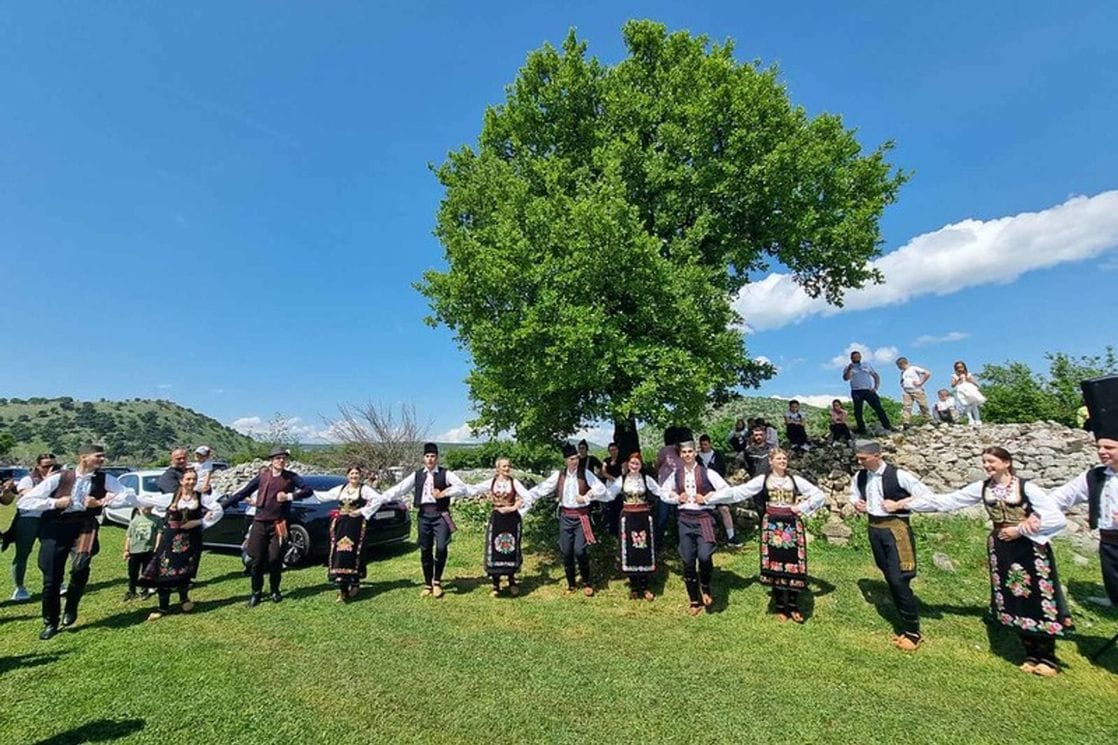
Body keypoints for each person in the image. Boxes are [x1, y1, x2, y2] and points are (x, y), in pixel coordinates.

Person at [886, 447, 1071, 676]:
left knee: (1036, 597)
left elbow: (1055, 517)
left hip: (1029, 548)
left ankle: (1048, 658)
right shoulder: (984, 488)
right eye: (984, 462)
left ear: (1006, 463)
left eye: (991, 461)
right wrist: (906, 504)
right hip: (1001, 548)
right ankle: (1031, 653)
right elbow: (948, 501)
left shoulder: (1026, 487)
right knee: (1013, 597)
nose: (987, 466)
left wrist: (1020, 529)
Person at [18, 444, 139, 640]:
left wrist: (102, 502)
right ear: (83, 457)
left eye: (103, 456)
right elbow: (24, 502)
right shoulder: (61, 477)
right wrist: (54, 503)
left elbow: (128, 495)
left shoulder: (104, 478)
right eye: (98, 456)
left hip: (84, 525)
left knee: (81, 566)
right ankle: (50, 621)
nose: (102, 460)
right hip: (55, 527)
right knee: (51, 578)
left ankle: (71, 606)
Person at [848, 440, 931, 651]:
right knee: (887, 573)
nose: (860, 462)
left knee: (899, 577)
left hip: (896, 530)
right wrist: (857, 503)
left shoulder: (898, 475)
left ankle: (912, 631)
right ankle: (904, 621)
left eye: (863, 458)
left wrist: (899, 504)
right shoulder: (860, 476)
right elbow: (853, 494)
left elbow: (926, 496)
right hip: (874, 528)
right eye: (858, 458)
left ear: (877, 455)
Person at [728, 449, 826, 622]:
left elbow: (819, 495)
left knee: (793, 563)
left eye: (785, 458)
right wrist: (711, 498)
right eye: (779, 458)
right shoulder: (763, 479)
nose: (783, 461)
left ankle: (794, 606)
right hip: (772, 525)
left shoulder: (795, 480)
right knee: (775, 564)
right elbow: (741, 492)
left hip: (791, 526)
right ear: (771, 462)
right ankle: (781, 606)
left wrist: (801, 507)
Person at [1047, 395, 1118, 618]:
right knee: (1112, 576)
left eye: (1109, 447)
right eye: (1099, 447)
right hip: (1109, 539)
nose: (1102, 451)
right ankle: (1114, 600)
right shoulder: (1095, 476)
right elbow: (1063, 496)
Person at [220, 447, 313, 606]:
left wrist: (289, 496)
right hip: (259, 523)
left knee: (275, 558)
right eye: (278, 458)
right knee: (256, 560)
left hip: (278, 523)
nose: (281, 461)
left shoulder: (291, 477)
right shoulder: (262, 477)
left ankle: (275, 590)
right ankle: (256, 592)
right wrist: (222, 506)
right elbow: (243, 493)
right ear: (271, 460)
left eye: (283, 458)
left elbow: (308, 490)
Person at [379, 443, 467, 599]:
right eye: (427, 456)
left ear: (437, 458)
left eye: (433, 456)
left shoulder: (445, 474)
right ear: (423, 458)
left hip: (440, 515)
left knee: (441, 547)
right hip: (424, 516)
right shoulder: (417, 475)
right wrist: (379, 498)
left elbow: (461, 488)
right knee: (425, 549)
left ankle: (437, 581)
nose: (430, 459)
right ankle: (428, 583)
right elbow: (400, 489)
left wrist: (445, 493)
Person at [658, 440, 734, 615]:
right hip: (685, 519)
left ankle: (705, 585)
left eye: (690, 451)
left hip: (704, 519)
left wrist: (708, 498)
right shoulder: (676, 475)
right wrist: (676, 497)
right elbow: (663, 492)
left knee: (705, 556)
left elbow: (726, 491)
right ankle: (694, 599)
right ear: (681, 455)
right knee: (688, 560)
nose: (687, 455)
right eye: (683, 452)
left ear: (695, 452)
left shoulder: (708, 472)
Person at [525, 443, 611, 595]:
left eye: (576, 458)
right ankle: (571, 584)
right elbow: (543, 488)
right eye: (572, 459)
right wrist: (525, 497)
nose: (575, 461)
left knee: (580, 551)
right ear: (565, 460)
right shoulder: (560, 475)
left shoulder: (585, 473)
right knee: (566, 551)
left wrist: (587, 496)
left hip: (581, 517)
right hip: (565, 517)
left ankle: (586, 582)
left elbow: (601, 489)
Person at [139, 468, 224, 620]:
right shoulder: (171, 497)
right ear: (181, 481)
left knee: (184, 570)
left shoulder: (201, 497)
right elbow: (144, 499)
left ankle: (184, 599)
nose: (191, 482)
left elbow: (218, 509)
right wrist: (114, 498)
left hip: (191, 539)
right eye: (188, 479)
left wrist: (200, 522)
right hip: (170, 538)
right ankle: (162, 607)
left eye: (194, 479)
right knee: (164, 571)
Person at [317, 465, 386, 602]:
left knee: (354, 552)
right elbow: (323, 496)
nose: (354, 476)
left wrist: (361, 511)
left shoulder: (364, 489)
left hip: (356, 525)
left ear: (360, 476)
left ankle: (355, 583)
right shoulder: (341, 489)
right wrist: (304, 492)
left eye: (356, 474)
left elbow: (378, 499)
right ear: (347, 475)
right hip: (341, 525)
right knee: (340, 552)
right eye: (352, 474)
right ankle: (342, 587)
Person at [605, 452, 668, 600]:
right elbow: (609, 494)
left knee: (644, 550)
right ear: (628, 464)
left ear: (641, 465)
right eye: (632, 463)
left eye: (637, 463)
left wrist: (675, 495)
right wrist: (592, 495)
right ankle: (634, 586)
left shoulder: (646, 479)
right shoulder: (622, 479)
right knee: (631, 550)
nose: (634, 466)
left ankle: (645, 586)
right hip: (628, 518)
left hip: (643, 518)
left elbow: (659, 492)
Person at [466, 458, 530, 597]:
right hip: (497, 518)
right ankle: (496, 584)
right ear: (498, 468)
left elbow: (528, 497)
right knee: (495, 548)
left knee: (510, 548)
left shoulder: (514, 482)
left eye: (508, 466)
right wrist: (456, 488)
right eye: (504, 466)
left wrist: (515, 507)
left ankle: (512, 581)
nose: (507, 469)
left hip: (512, 518)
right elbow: (474, 489)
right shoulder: (492, 482)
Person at [4, 453, 58, 601]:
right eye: (46, 466)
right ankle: (19, 587)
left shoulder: (59, 479)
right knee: (23, 553)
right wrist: (47, 482)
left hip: (49, 518)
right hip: (28, 519)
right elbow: (29, 496)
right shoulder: (28, 480)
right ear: (38, 467)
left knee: (52, 552)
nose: (51, 469)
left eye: (55, 466)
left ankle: (55, 582)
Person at [698, 434, 739, 547]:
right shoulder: (697, 458)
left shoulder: (718, 455)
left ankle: (731, 536)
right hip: (703, 489)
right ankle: (706, 539)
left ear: (710, 444)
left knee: (724, 509)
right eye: (702, 444)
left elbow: (723, 469)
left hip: (717, 487)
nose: (704, 446)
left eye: (705, 444)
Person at [843, 350, 892, 434]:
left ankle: (887, 426)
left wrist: (876, 387)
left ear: (860, 357)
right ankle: (862, 429)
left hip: (868, 390)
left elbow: (875, 376)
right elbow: (845, 378)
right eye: (854, 357)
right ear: (851, 358)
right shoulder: (848, 367)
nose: (856, 358)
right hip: (856, 391)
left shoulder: (866, 365)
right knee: (858, 411)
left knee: (878, 408)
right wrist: (849, 369)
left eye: (858, 356)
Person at [123, 504, 161, 601]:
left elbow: (159, 533)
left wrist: (157, 546)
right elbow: (129, 536)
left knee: (146, 572)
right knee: (132, 572)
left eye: (148, 506)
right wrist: (126, 550)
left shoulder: (156, 519)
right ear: (139, 507)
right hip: (134, 550)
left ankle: (144, 590)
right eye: (144, 506)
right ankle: (132, 591)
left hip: (148, 550)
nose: (146, 508)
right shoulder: (135, 520)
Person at [896, 357, 932, 426]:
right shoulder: (903, 373)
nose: (898, 368)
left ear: (902, 364)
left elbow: (927, 373)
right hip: (907, 392)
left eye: (898, 366)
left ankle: (929, 420)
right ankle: (906, 422)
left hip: (917, 390)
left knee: (923, 405)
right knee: (906, 407)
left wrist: (921, 382)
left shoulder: (913, 368)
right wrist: (902, 385)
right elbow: (902, 381)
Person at [601, 442, 625, 537]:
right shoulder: (606, 460)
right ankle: (612, 530)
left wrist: (618, 481)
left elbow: (624, 472)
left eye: (615, 450)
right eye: (611, 450)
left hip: (620, 485)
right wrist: (612, 479)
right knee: (610, 507)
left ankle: (621, 529)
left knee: (620, 507)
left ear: (618, 450)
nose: (613, 452)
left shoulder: (622, 460)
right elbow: (603, 472)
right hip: (610, 485)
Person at [951, 361, 985, 425]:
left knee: (974, 405)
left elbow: (974, 382)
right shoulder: (954, 376)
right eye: (958, 367)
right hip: (961, 389)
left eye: (961, 367)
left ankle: (977, 419)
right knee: (966, 405)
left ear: (964, 367)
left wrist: (970, 381)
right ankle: (970, 419)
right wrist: (958, 379)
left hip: (969, 389)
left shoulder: (968, 374)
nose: (960, 368)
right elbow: (952, 385)